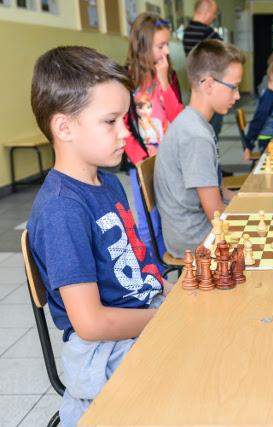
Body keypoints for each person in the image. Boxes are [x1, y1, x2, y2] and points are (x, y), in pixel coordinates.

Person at [27, 46, 171, 427]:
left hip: (139, 315)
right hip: (103, 350)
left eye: (125, 119)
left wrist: (174, 295)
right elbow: (90, 323)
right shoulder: (62, 209)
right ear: (64, 128)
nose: (125, 132)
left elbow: (139, 269)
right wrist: (165, 318)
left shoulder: (108, 183)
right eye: (111, 121)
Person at [154, 40, 245, 258]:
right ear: (209, 85)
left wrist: (245, 202)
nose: (238, 95)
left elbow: (219, 191)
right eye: (234, 87)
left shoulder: (194, 122)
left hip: (196, 228)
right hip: (196, 239)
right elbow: (216, 215)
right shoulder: (196, 135)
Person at [124, 12, 183, 258]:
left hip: (170, 160)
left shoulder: (170, 75)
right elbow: (123, 126)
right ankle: (153, 273)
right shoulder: (125, 79)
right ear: (142, 46)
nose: (166, 51)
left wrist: (164, 83)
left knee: (171, 218)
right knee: (149, 225)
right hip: (141, 161)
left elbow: (178, 119)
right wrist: (142, 161)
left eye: (167, 45)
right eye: (160, 46)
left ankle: (172, 267)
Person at [182, 0, 225, 138]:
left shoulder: (187, 32)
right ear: (206, 12)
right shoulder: (207, 32)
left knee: (200, 126)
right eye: (213, 13)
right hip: (211, 86)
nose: (214, 17)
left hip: (196, 84)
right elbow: (225, 53)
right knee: (213, 130)